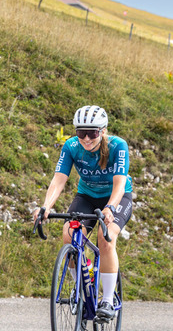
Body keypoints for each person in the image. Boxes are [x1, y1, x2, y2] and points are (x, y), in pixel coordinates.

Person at [33, 105, 132, 319]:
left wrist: (110, 207)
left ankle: (107, 301)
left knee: (105, 237)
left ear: (102, 131)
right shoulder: (71, 146)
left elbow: (119, 184)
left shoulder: (118, 146)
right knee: (69, 234)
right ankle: (82, 284)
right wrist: (46, 206)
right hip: (87, 196)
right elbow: (59, 179)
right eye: (81, 132)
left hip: (117, 196)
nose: (86, 138)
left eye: (92, 133)